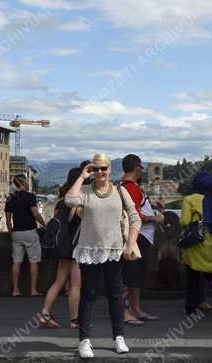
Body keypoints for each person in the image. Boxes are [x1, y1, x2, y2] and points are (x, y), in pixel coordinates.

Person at [65, 154, 141, 359]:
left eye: (103, 168)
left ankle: (119, 337)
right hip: (89, 250)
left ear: (110, 169)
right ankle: (84, 340)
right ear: (91, 170)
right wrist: (82, 176)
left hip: (114, 250)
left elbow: (135, 217)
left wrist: (131, 242)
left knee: (115, 295)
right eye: (95, 169)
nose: (99, 172)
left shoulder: (120, 190)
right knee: (88, 294)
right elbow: (69, 200)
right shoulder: (85, 191)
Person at [117, 154, 162, 325]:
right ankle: (126, 311)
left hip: (136, 235)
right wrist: (154, 218)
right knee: (130, 276)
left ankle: (135, 308)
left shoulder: (123, 185)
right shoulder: (132, 187)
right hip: (138, 236)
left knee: (135, 276)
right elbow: (133, 213)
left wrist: (152, 206)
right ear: (137, 168)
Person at [38, 167, 83, 329]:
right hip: (74, 247)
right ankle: (74, 319)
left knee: (58, 282)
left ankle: (45, 312)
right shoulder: (77, 202)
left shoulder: (62, 201)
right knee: (76, 285)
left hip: (62, 247)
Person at [181, 171, 212, 315]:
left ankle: (191, 307)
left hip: (196, 245)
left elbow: (185, 221)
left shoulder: (189, 200)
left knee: (193, 278)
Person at [6, 173, 45, 297]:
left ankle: (15, 290)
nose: (28, 183)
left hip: (17, 232)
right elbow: (35, 214)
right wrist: (44, 224)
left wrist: (11, 232)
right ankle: (33, 290)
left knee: (16, 261)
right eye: (27, 181)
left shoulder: (10, 198)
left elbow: (8, 220)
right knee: (33, 261)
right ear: (23, 183)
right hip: (30, 232)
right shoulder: (30, 197)